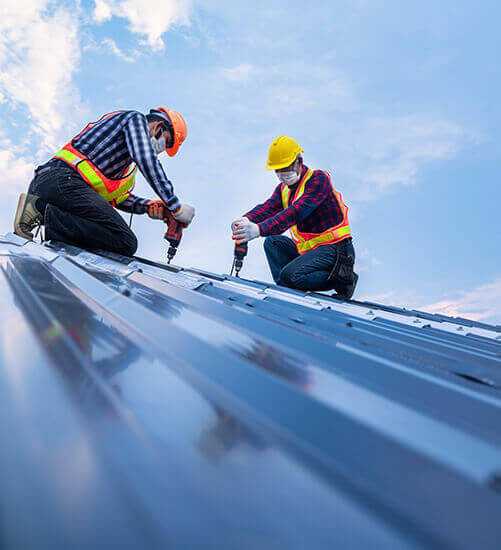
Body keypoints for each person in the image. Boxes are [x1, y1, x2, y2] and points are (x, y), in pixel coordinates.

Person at [14, 107, 195, 256]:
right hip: (61, 179)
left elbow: (118, 198)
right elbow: (146, 158)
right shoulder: (135, 119)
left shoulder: (123, 165)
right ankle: (40, 210)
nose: (161, 149)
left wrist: (148, 206)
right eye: (166, 142)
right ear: (159, 126)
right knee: (124, 241)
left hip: (59, 187)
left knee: (110, 236)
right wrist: (175, 206)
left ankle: (47, 228)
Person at [231, 136, 358, 298]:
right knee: (273, 242)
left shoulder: (318, 180)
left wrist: (258, 229)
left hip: (337, 250)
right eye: (278, 170)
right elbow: (267, 208)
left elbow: (296, 212)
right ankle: (288, 290)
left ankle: (344, 279)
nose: (283, 173)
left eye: (286, 167)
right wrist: (246, 220)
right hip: (312, 253)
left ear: (299, 161)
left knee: (291, 275)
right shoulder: (284, 190)